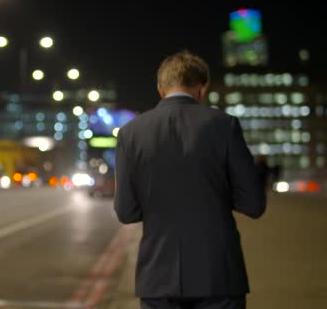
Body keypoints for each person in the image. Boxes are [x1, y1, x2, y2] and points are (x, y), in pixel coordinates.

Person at [114, 51, 266, 309]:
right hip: (219, 276)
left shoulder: (131, 133)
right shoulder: (225, 125)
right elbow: (253, 204)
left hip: (157, 278)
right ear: (202, 88)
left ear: (161, 88)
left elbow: (126, 212)